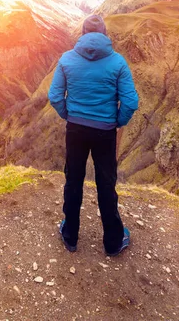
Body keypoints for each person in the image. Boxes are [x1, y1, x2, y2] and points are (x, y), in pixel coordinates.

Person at [48, 14, 139, 256]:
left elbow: (55, 96)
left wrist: (70, 115)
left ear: (83, 33)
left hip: (75, 130)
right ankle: (113, 242)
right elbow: (130, 102)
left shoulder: (67, 59)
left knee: (73, 180)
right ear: (105, 35)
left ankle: (70, 236)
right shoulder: (118, 62)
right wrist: (116, 122)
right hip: (105, 132)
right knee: (106, 184)